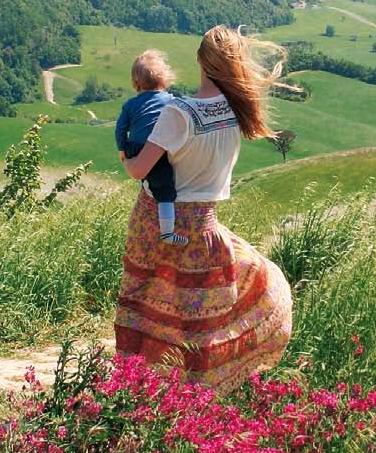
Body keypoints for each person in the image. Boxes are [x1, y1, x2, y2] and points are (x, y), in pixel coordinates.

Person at [117, 25, 294, 393]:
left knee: (145, 311)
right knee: (197, 325)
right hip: (205, 231)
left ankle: (138, 397)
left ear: (200, 61)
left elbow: (138, 170)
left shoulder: (178, 114)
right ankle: (195, 409)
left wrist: (122, 150)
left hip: (155, 224)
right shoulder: (237, 112)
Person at [115, 50, 184, 245]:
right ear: (165, 81)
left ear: (135, 84)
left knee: (150, 183)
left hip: (133, 148)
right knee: (165, 191)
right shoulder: (170, 100)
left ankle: (147, 188)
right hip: (155, 148)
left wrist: (123, 151)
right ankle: (168, 233)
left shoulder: (130, 104)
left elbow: (120, 129)